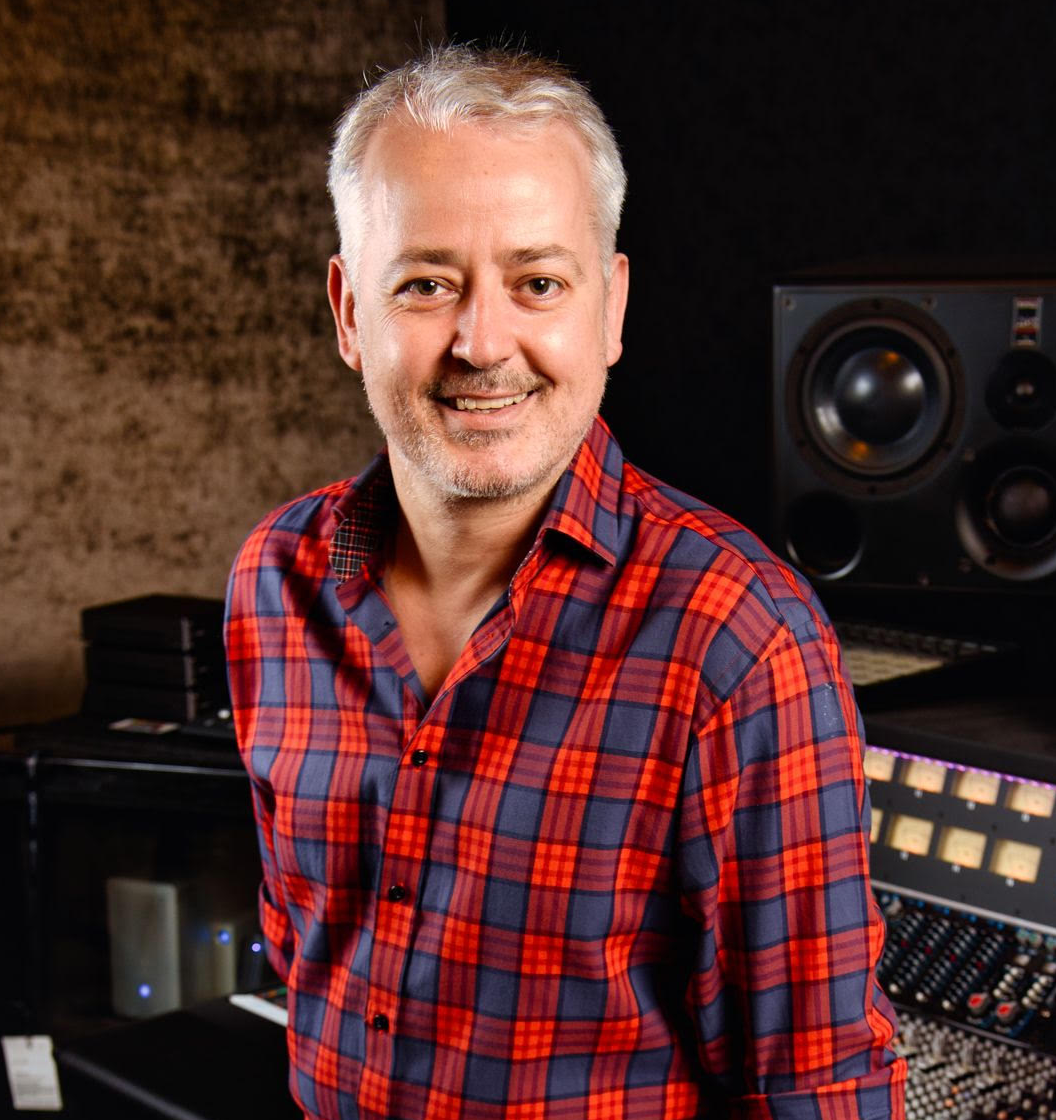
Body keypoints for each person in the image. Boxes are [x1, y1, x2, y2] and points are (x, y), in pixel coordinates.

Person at [225, 43, 907, 1120]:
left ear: (611, 307)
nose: (482, 342)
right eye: (425, 284)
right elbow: (306, 952)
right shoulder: (275, 581)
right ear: (350, 312)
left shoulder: (737, 640)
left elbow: (817, 1088)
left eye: (537, 282)